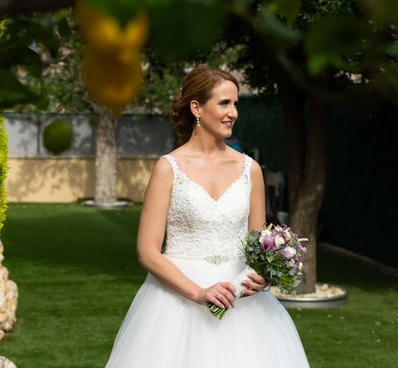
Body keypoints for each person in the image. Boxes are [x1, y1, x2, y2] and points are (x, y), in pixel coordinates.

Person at [105, 65, 310, 367]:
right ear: (197, 108)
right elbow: (147, 251)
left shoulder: (249, 170)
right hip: (175, 303)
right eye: (224, 103)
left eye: (236, 103)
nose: (233, 112)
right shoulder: (168, 168)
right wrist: (199, 293)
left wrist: (263, 277)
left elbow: (255, 247)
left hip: (242, 304)